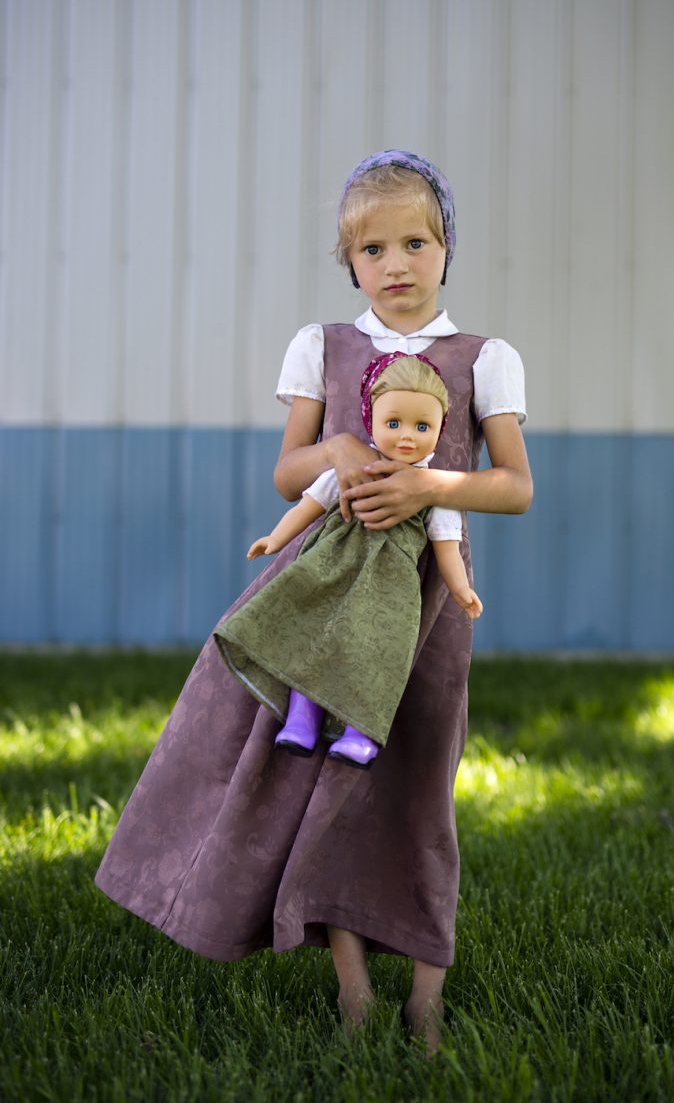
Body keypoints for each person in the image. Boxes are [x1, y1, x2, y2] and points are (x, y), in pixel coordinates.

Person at [95, 149, 532, 1055]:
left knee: (418, 778)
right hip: (324, 598)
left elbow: (515, 486)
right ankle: (353, 993)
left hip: (422, 609)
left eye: (416, 243)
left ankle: (426, 996)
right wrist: (335, 453)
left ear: (447, 248)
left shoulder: (483, 359)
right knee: (326, 781)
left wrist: (429, 486)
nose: (396, 264)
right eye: (372, 250)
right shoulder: (323, 347)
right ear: (350, 263)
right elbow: (288, 472)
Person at [214, 352, 483, 771]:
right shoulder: (354, 470)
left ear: (440, 428)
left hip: (389, 589)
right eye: (393, 423)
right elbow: (308, 505)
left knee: (374, 656)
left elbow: (447, 545)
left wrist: (461, 588)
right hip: (331, 569)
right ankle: (301, 720)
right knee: (312, 637)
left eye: (422, 426)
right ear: (371, 420)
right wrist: (275, 538)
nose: (407, 437)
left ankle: (360, 734)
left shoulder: (432, 490)